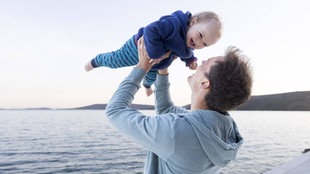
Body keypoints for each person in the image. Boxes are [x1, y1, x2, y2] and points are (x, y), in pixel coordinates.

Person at [105, 37, 253, 173]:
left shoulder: (176, 132)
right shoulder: (224, 128)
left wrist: (142, 67)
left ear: (204, 83)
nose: (200, 63)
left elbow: (115, 111)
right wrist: (163, 68)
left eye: (205, 63)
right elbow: (166, 110)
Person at [85, 10, 222, 96]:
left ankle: (147, 87)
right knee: (115, 61)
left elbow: (186, 53)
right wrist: (155, 54)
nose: (198, 42)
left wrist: (190, 60)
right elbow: (151, 30)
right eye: (200, 35)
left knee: (150, 78)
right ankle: (96, 61)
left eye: (204, 44)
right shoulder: (173, 24)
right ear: (193, 22)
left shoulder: (188, 44)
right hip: (137, 49)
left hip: (155, 63)